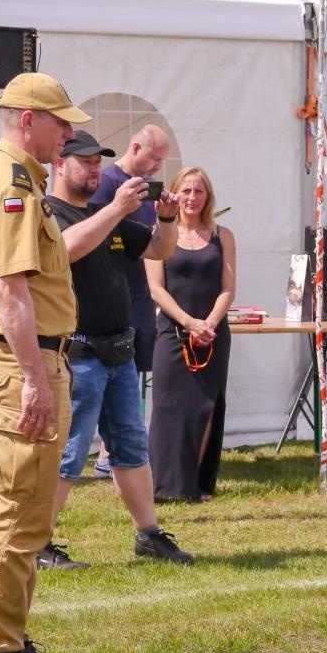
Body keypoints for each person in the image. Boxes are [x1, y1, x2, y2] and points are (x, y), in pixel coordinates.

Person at [0, 72, 90, 653]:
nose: (69, 131)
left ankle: (7, 636)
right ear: (27, 120)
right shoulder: (11, 187)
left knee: (27, 513)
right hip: (21, 364)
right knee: (17, 514)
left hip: (27, 360)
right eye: (61, 121)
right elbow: (9, 292)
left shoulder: (22, 182)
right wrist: (36, 381)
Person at [43, 129, 193, 569]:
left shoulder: (101, 214)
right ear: (59, 164)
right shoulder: (49, 214)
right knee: (69, 452)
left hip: (117, 353)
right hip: (78, 354)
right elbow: (68, 250)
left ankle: (148, 534)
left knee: (130, 448)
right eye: (84, 161)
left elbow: (160, 249)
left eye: (97, 162)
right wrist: (115, 209)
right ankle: (38, 544)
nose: (93, 169)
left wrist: (165, 218)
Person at [146, 166, 236, 502]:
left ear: (207, 197)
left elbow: (228, 288)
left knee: (206, 406)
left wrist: (208, 324)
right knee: (168, 407)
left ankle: (195, 484)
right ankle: (164, 485)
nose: (192, 198)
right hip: (172, 331)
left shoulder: (222, 236)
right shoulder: (158, 234)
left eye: (199, 191)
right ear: (174, 193)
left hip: (213, 334)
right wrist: (188, 322)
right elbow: (156, 289)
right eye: (186, 190)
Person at [88, 124, 171, 479]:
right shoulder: (109, 183)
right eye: (154, 157)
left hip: (139, 291)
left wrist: (167, 220)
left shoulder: (145, 190)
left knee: (133, 370)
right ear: (135, 147)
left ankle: (117, 450)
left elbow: (151, 241)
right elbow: (92, 228)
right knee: (107, 372)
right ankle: (104, 450)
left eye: (161, 160)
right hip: (110, 292)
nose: (157, 166)